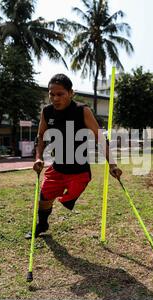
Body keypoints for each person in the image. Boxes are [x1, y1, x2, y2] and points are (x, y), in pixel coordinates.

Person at [25, 74, 122, 239]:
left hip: (79, 170)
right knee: (44, 199)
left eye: (60, 94)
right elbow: (41, 136)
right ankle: (42, 224)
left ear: (71, 93)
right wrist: (38, 157)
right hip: (58, 167)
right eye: (51, 94)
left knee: (67, 200)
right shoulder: (47, 112)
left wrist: (112, 165)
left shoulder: (82, 110)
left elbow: (99, 137)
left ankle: (69, 198)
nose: (55, 98)